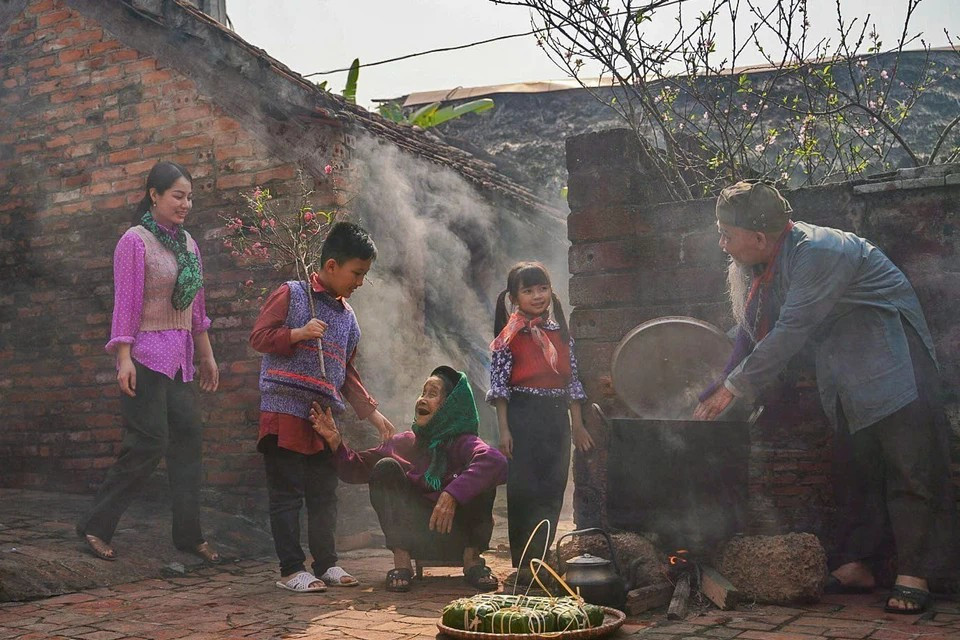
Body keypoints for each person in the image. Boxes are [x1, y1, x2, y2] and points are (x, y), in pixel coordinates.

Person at [694, 180, 958, 614]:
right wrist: (717, 378)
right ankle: (858, 565)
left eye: (726, 234)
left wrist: (734, 388)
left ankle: (915, 573)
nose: (722, 244)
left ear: (759, 237)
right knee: (856, 466)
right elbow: (750, 331)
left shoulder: (819, 252)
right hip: (845, 368)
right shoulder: (767, 263)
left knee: (909, 466)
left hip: (892, 356)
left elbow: (790, 332)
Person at [76, 161, 221, 563]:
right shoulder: (134, 241)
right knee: (148, 442)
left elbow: (197, 309)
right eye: (178, 195)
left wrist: (206, 356)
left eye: (189, 196)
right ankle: (94, 524)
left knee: (188, 441)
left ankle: (188, 536)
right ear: (154, 195)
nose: (185, 203)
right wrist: (123, 358)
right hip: (144, 357)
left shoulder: (190, 245)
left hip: (180, 360)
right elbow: (126, 304)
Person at [250, 221, 396, 593]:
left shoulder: (349, 319)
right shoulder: (293, 294)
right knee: (286, 494)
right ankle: (291, 570)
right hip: (284, 409)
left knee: (323, 494)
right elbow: (259, 337)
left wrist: (372, 412)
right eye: (357, 273)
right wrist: (297, 334)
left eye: (364, 274)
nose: (360, 281)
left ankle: (327, 563)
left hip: (322, 418)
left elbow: (346, 372)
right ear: (331, 266)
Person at [311, 366, 507, 593]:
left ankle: (473, 561)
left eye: (432, 394)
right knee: (385, 468)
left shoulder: (464, 442)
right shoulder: (404, 442)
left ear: (450, 406)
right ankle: (401, 562)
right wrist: (335, 442)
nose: (422, 400)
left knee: (483, 477)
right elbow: (355, 469)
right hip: (417, 537)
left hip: (459, 537)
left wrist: (453, 493)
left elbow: (496, 461)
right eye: (422, 393)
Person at [487, 261, 594, 583]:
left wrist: (577, 425)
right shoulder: (508, 337)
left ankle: (541, 557)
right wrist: (504, 429)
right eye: (529, 290)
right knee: (524, 488)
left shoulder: (560, 333)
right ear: (514, 297)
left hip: (555, 417)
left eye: (542, 288)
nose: (537, 296)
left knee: (552, 484)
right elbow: (500, 387)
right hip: (522, 414)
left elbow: (571, 381)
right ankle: (523, 562)